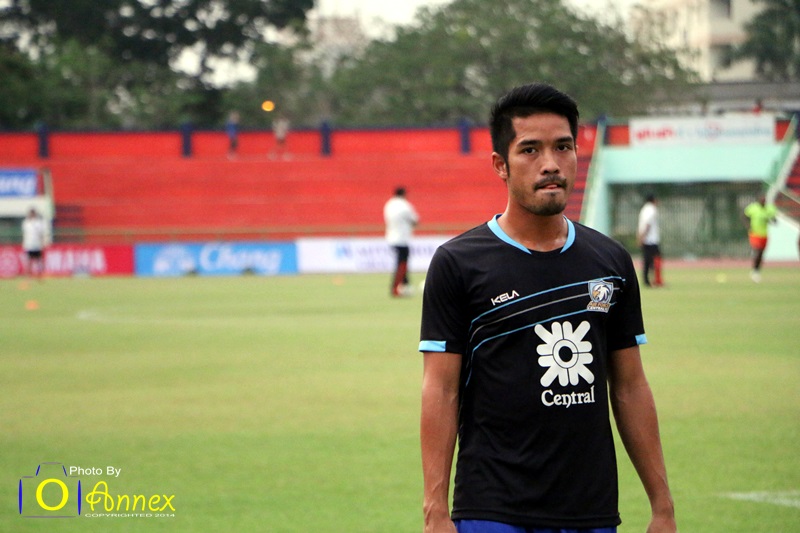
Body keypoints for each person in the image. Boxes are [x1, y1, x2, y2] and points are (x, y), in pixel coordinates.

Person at [419, 83, 676, 533]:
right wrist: (435, 511)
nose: (551, 163)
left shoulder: (610, 261)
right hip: (493, 509)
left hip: (591, 510)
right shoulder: (458, 263)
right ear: (500, 165)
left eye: (563, 147)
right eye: (530, 150)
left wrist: (662, 507)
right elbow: (441, 390)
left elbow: (630, 387)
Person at [384, 186, 419, 297]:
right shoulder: (405, 206)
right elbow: (415, 220)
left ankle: (405, 285)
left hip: (391, 237)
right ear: (404, 194)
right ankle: (396, 287)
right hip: (402, 238)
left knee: (401, 262)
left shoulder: (389, 204)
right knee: (402, 263)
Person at [743, 195, 777, 283]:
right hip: (754, 234)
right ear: (758, 201)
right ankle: (754, 270)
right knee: (758, 251)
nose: (763, 202)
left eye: (764, 200)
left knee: (761, 253)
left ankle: (757, 270)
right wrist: (748, 226)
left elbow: (774, 220)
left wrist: (771, 220)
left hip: (764, 235)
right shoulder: (753, 208)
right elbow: (744, 216)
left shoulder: (769, 209)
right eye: (762, 200)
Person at [637, 193, 663, 287]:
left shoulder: (644, 209)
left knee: (647, 261)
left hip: (646, 239)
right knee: (655, 260)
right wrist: (643, 236)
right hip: (651, 240)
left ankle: (647, 280)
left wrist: (640, 236)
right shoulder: (651, 209)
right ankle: (656, 280)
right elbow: (647, 224)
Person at [21, 207, 50, 278]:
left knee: (38, 260)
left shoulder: (39, 223)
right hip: (29, 244)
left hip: (37, 244)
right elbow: (24, 234)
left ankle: (39, 275)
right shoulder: (26, 223)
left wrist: (43, 242)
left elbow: (41, 234)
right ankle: (29, 275)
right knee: (29, 260)